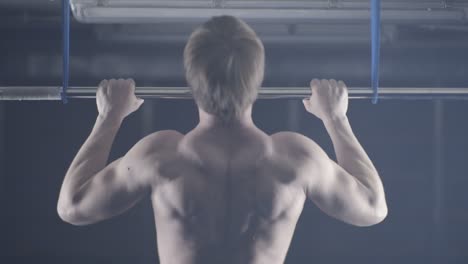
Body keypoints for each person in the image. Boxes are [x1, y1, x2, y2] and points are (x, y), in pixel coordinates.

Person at [57, 16, 387, 264]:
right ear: (257, 81)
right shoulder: (295, 158)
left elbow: (72, 207)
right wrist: (335, 117)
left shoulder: (161, 157)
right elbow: (373, 208)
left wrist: (110, 116)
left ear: (191, 81)